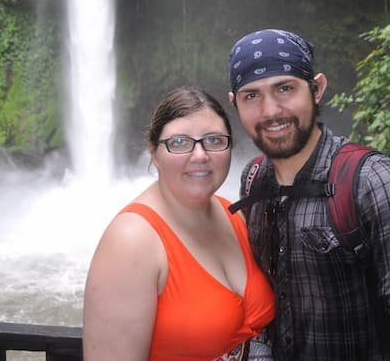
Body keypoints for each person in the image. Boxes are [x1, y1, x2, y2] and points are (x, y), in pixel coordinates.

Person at [227, 28, 390, 360]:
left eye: (285, 89)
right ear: (234, 103)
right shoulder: (253, 180)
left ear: (317, 89)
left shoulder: (372, 182)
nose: (271, 111)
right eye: (252, 96)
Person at [83, 86, 275, 361]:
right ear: (154, 153)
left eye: (214, 140)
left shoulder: (232, 213)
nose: (200, 155)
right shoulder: (131, 241)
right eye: (180, 143)